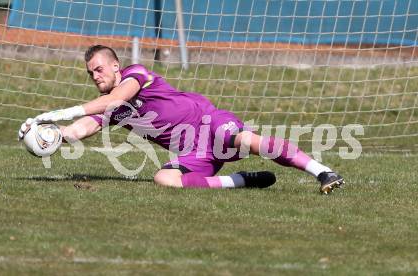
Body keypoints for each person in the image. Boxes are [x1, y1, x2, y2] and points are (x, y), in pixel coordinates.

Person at [18, 45, 344, 194]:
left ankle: (322, 172)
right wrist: (46, 134)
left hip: (209, 124)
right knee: (164, 179)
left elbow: (116, 97)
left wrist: (62, 111)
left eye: (99, 69)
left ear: (116, 66)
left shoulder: (135, 74)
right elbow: (79, 130)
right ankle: (243, 181)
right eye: (90, 73)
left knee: (244, 139)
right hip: (193, 154)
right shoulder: (111, 109)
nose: (95, 76)